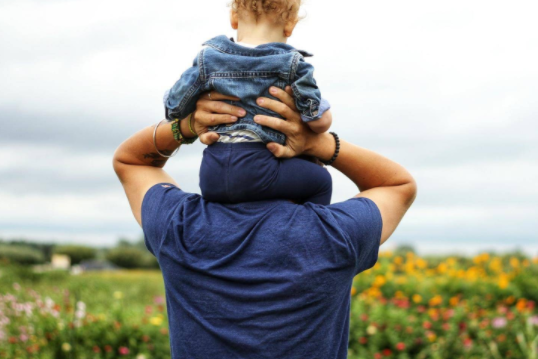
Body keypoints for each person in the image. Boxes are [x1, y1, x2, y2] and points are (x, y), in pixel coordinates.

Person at [113, 86, 417, 358]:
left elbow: (131, 160)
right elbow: (398, 185)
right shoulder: (336, 235)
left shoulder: (179, 226)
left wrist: (187, 126)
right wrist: (320, 143)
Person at [164, 0, 333, 205]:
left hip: (212, 173)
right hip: (261, 168)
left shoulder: (208, 59)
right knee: (320, 180)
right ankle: (311, 234)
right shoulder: (292, 63)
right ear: (290, 26)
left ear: (233, 17)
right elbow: (317, 121)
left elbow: (174, 108)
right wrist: (322, 114)